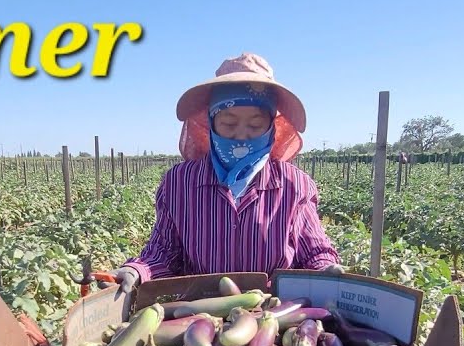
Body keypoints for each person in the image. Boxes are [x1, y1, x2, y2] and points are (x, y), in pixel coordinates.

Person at [109, 53, 343, 294]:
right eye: (229, 124)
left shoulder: (295, 185)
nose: (241, 135)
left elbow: (315, 252)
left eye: (255, 125)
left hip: (274, 317)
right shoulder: (179, 183)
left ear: (272, 126)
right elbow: (164, 253)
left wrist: (326, 269)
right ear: (210, 123)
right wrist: (136, 270)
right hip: (199, 315)